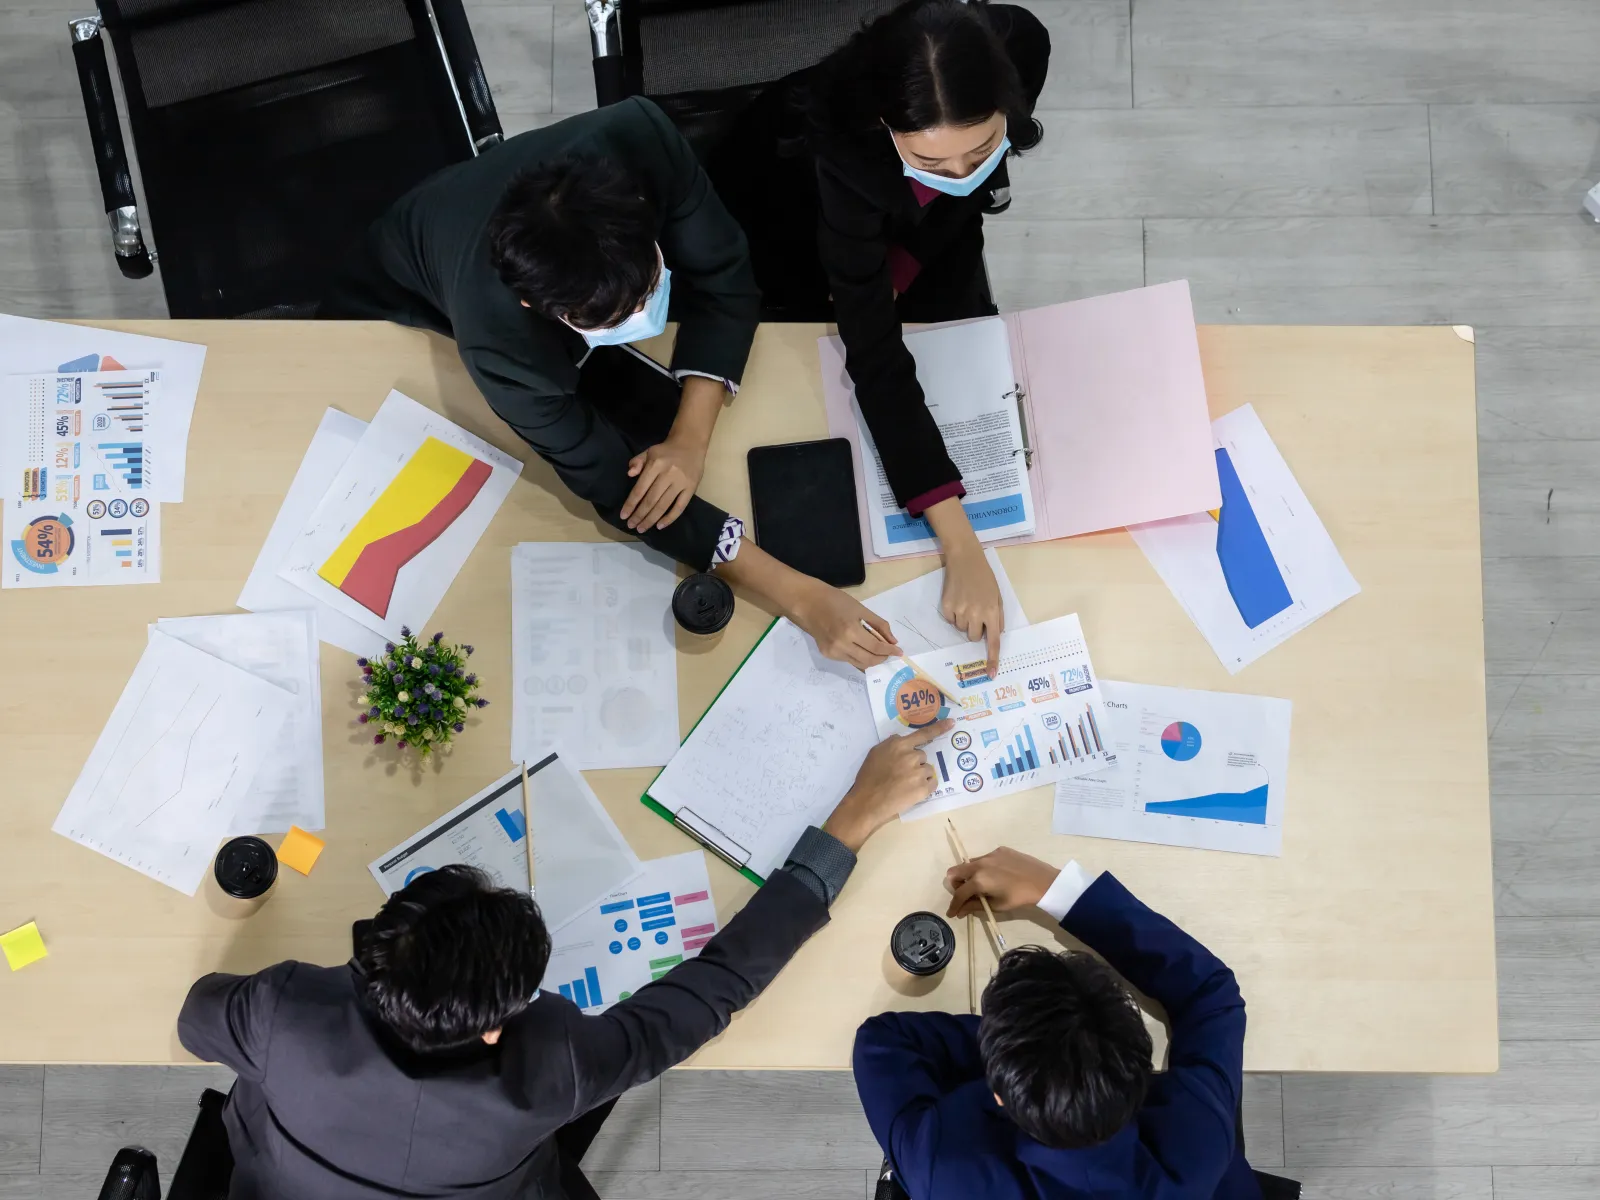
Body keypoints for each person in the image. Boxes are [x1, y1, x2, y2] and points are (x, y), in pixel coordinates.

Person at [177, 719, 953, 1200]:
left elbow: (196, 1016)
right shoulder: (553, 1069)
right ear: (492, 1031)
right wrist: (849, 824)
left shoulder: (285, 1014)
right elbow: (711, 991)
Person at [322, 98, 898, 669]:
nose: (645, 314)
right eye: (614, 320)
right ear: (536, 306)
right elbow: (609, 481)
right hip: (391, 307)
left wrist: (690, 438)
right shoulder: (500, 343)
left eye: (649, 286)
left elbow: (725, 275)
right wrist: (798, 594)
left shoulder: (637, 137)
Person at [707, 0, 1050, 676]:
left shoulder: (1022, 42)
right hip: (792, 226)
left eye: (981, 148)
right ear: (887, 126)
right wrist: (959, 542)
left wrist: (921, 237)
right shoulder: (843, 151)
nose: (961, 172)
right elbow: (875, 357)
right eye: (932, 158)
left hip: (920, 235)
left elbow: (959, 197)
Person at [853, 846, 1300, 1200]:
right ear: (1138, 1058)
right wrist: (1057, 890)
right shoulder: (1197, 1139)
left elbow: (882, 1043)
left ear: (998, 1096)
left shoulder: (945, 1166)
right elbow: (1212, 994)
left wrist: (1019, 1051)